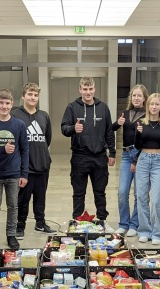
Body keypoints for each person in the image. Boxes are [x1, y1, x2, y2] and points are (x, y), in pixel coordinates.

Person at [61, 76, 116, 226]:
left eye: (90, 89)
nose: (88, 92)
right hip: (80, 157)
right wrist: (73, 128)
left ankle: (102, 220)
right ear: (80, 89)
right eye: (85, 89)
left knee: (100, 192)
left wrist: (112, 152)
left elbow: (109, 132)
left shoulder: (103, 107)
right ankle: (77, 222)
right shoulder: (72, 107)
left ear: (94, 89)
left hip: (99, 157)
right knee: (79, 193)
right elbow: (64, 128)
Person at [12, 82, 55, 237]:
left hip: (42, 164)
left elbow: (47, 139)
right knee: (23, 199)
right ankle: (20, 226)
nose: (33, 97)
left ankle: (40, 223)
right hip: (25, 167)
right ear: (23, 96)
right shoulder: (16, 115)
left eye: (35, 95)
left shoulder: (44, 116)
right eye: (30, 94)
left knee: (40, 197)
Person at [0, 88, 29, 250]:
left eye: (7, 103)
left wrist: (24, 173)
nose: (4, 106)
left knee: (13, 205)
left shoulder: (19, 124)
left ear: (12, 104)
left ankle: (11, 234)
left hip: (13, 173)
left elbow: (25, 150)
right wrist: (1, 150)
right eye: (1, 103)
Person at [133, 93, 160, 245]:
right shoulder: (141, 123)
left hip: (159, 161)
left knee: (157, 199)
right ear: (147, 106)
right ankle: (144, 230)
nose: (154, 107)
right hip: (143, 159)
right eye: (151, 104)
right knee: (142, 196)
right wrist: (138, 134)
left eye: (157, 104)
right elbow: (137, 146)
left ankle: (157, 232)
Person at [111, 84, 147, 236]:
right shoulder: (125, 113)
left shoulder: (147, 115)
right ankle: (123, 223)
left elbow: (147, 140)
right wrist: (117, 123)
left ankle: (134, 224)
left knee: (139, 193)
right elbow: (112, 129)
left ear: (144, 98)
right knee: (122, 192)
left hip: (141, 154)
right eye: (134, 95)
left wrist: (136, 161)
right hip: (125, 155)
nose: (136, 98)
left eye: (139, 95)